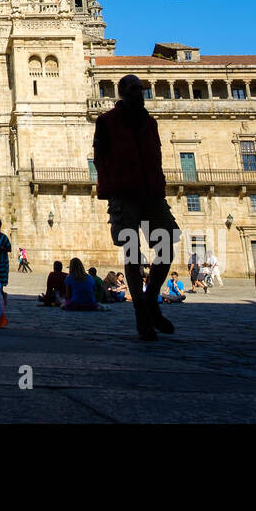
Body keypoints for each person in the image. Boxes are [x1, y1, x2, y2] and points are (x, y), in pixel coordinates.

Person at [94, 74, 178, 341]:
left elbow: (156, 155)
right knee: (132, 254)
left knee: (166, 247)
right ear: (121, 92)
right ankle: (142, 312)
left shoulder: (150, 123)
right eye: (133, 89)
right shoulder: (106, 121)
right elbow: (99, 158)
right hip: (124, 195)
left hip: (152, 195)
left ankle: (150, 297)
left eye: (141, 89)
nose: (138, 93)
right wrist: (112, 186)